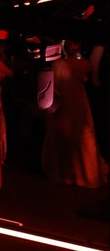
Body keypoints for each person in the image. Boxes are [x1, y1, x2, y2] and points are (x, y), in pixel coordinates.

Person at [42, 42, 107, 188]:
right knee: (67, 137)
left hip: (77, 102)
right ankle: (70, 174)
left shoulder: (78, 64)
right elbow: (56, 88)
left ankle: (83, 175)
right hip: (67, 103)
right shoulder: (59, 64)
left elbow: (86, 73)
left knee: (83, 137)